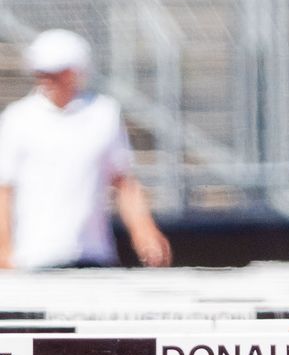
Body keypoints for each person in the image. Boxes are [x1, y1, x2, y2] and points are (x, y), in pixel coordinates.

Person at [0, 29, 170, 271]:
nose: (46, 79)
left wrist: (144, 231)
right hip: (33, 258)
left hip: (94, 255)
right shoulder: (17, 119)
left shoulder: (104, 113)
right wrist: (4, 249)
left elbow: (123, 182)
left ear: (75, 72)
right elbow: (4, 191)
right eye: (42, 73)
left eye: (55, 72)